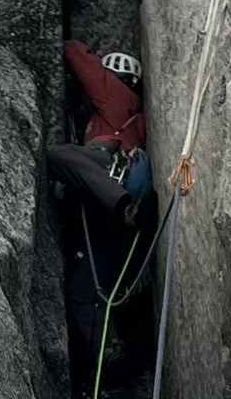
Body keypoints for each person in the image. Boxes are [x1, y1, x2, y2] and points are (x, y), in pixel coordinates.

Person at [49, 44, 156, 377]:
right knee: (83, 290)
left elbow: (77, 58)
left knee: (56, 156)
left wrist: (77, 46)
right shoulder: (132, 118)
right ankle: (110, 356)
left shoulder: (116, 94)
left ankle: (122, 205)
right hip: (109, 218)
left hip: (107, 178)